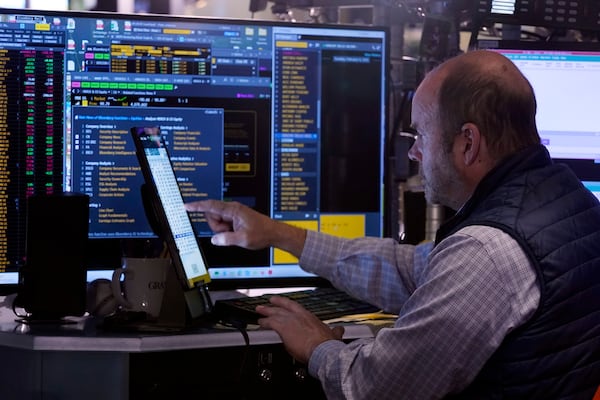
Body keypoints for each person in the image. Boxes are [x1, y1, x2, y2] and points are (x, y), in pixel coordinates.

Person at [186, 50, 600, 399]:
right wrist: (278, 234)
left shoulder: (487, 252)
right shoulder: (564, 197)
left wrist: (317, 347)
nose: (415, 153)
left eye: (420, 134)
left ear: (468, 143)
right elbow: (416, 270)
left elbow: (376, 388)